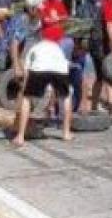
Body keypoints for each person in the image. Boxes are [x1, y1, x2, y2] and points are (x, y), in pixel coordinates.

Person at [14, 17, 73, 147]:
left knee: (26, 98)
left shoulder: (34, 48)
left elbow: (27, 72)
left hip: (39, 67)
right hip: (59, 68)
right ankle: (66, 132)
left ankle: (20, 136)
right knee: (66, 97)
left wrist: (24, 89)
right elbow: (64, 65)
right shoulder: (57, 47)